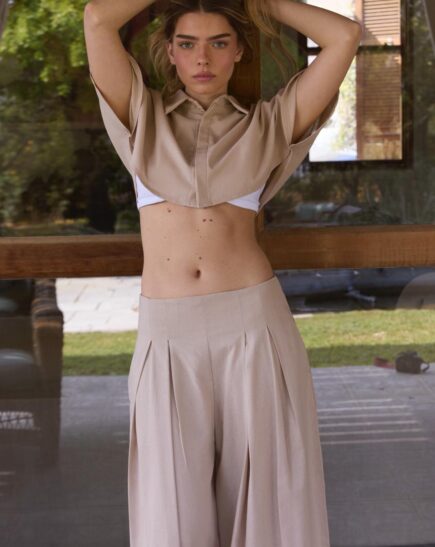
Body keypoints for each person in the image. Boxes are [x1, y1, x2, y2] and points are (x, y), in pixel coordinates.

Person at [84, 0, 361, 545]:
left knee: (268, 506)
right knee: (171, 517)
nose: (202, 58)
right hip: (168, 335)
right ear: (170, 52)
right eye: (187, 44)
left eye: (218, 43)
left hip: (254, 328)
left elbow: (344, 36)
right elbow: (97, 18)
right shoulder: (139, 117)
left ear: (239, 52)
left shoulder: (270, 124)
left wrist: (266, 3)